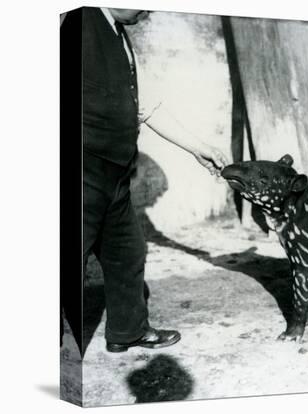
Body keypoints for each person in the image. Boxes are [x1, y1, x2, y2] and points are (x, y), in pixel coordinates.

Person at [61, 7, 228, 353]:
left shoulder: (120, 35)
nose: (150, 11)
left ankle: (128, 331)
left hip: (117, 175)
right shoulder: (70, 21)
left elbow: (147, 105)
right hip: (80, 170)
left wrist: (199, 148)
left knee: (127, 251)